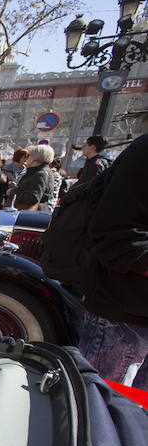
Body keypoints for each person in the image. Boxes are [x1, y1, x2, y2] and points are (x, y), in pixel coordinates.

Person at [78, 129, 148, 388]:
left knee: (135, 421)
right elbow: (117, 236)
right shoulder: (142, 154)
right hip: (124, 319)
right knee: (101, 417)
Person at [12, 144, 53, 211]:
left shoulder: (40, 173)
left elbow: (33, 197)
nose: (26, 159)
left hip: (31, 214)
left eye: (28, 156)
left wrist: (13, 192)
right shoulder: (39, 171)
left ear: (35, 158)